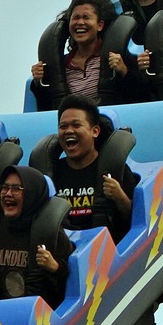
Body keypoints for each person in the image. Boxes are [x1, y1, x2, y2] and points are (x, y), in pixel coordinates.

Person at [0, 165, 75, 302]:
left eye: (16, 189)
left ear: (32, 193)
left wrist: (55, 268)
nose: (8, 193)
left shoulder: (50, 232)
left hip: (42, 317)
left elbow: (73, 288)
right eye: (4, 187)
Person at [49, 94, 135, 238]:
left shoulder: (116, 169)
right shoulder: (52, 172)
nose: (69, 131)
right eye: (63, 126)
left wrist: (119, 196)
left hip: (107, 250)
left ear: (95, 131)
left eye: (76, 125)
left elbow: (138, 222)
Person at [31, 0, 135, 108]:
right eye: (75, 17)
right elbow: (45, 106)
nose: (80, 22)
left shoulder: (118, 56)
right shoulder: (61, 65)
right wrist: (38, 82)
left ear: (99, 25)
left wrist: (124, 71)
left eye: (86, 17)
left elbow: (141, 94)